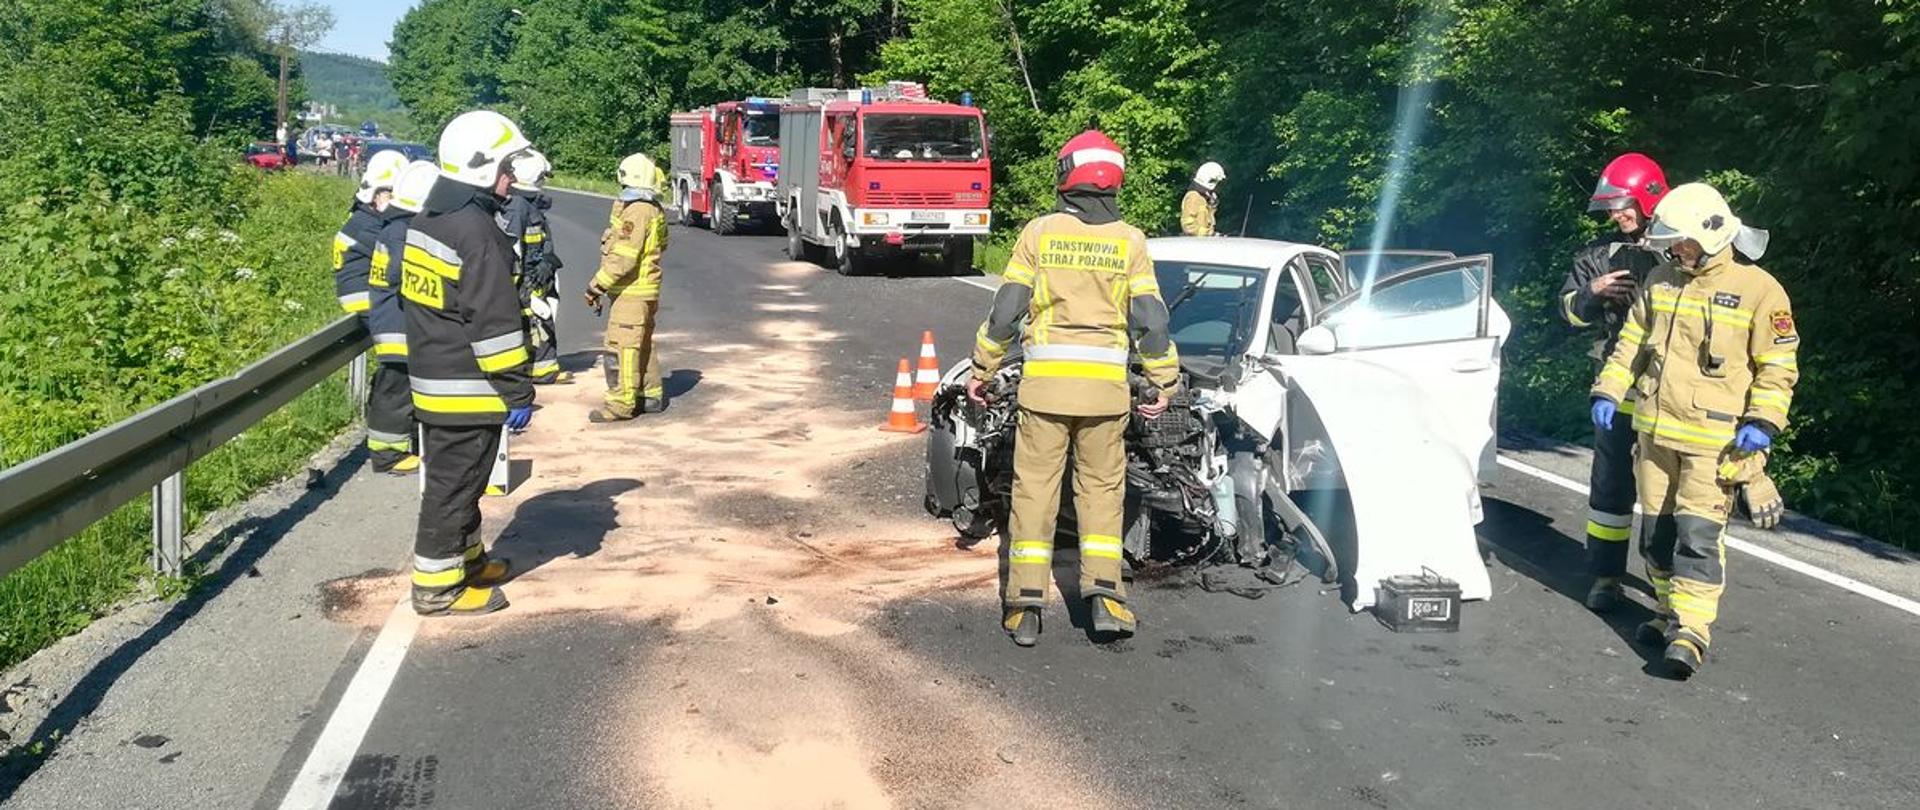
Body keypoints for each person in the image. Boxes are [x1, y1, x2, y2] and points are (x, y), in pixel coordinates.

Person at [967, 130, 1180, 647]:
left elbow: (1006, 309)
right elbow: (1150, 320)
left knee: (1035, 494)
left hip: (1045, 395)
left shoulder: (1039, 234)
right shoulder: (1130, 241)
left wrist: (982, 368)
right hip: (1105, 398)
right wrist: (1163, 380)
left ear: (1067, 176)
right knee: (1102, 495)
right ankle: (1105, 597)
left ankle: (1024, 609)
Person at [1589, 182, 1797, 677]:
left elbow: (1778, 365)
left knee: (1697, 538)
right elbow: (1632, 343)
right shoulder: (1661, 280)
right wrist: (1608, 390)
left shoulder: (1760, 290)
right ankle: (1665, 611)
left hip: (1714, 444)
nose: (1674, 249)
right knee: (1656, 535)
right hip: (1655, 434)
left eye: (1681, 240)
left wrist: (1763, 421)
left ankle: (1692, 629)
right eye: (1670, 242)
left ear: (1711, 233)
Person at [398, 110, 537, 617]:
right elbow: (494, 323)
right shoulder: (476, 232)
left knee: (463, 483)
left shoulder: (431, 219)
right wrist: (519, 391)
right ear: (481, 168)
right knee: (453, 489)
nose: (512, 177)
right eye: (506, 167)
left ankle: (469, 560)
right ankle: (437, 589)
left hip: (437, 379)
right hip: (467, 389)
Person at [1559, 153, 1670, 612]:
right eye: (1610, 207)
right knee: (1610, 489)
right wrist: (1592, 292)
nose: (1615, 215)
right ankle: (1605, 576)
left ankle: (1668, 587)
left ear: (1648, 198)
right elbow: (1566, 312)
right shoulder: (1597, 258)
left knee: (1665, 492)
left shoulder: (1682, 250)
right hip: (1617, 388)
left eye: (1622, 205)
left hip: (1669, 393)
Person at [364, 157, 436, 476]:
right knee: (394, 392)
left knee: (403, 389)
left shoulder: (395, 226)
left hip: (393, 321)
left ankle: (402, 446)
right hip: (397, 324)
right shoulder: (402, 231)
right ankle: (387, 455)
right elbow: (401, 277)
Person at [585, 153, 669, 422]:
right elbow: (661, 245)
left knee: (622, 347)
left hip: (631, 292)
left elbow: (623, 258)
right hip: (644, 291)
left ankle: (621, 404)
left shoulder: (637, 211)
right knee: (642, 344)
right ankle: (650, 394)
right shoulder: (653, 208)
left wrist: (597, 286)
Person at [502, 149, 570, 385]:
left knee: (539, 321)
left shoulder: (526, 204)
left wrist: (547, 260)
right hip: (527, 279)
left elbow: (538, 240)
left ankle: (541, 369)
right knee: (536, 321)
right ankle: (540, 371)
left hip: (536, 274)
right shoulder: (518, 206)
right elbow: (513, 247)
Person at [1180, 161, 1225, 237]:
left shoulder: (1205, 198)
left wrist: (1212, 206)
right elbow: (1188, 226)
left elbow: (1209, 222)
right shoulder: (1193, 197)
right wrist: (1209, 234)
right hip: (1196, 244)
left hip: (1204, 243)